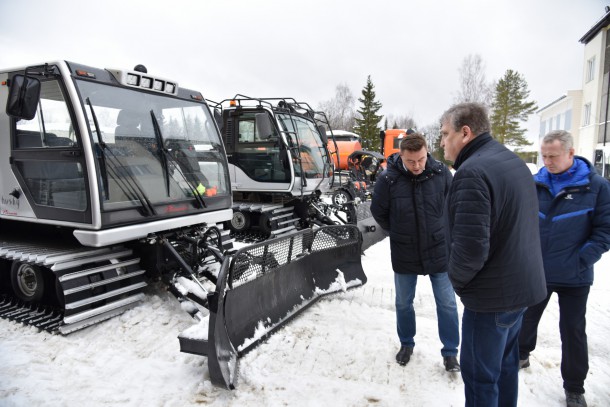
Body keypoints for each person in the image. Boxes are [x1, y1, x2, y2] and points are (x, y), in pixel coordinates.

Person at [439, 102, 547, 406]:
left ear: (465, 132)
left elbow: (471, 249)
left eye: (445, 134)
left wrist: (459, 283)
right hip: (519, 292)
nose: (442, 142)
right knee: (504, 369)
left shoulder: (472, 172)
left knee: (480, 379)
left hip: (491, 299)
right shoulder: (511, 161)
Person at [518, 130, 610, 407]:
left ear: (570, 153)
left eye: (553, 156)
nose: (547, 161)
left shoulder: (597, 187)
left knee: (573, 331)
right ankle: (520, 355)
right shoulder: (535, 183)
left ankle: (574, 387)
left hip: (575, 276)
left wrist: (580, 260)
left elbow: (604, 232)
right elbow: (522, 223)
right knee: (525, 320)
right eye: (544, 156)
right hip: (538, 271)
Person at [370, 132, 461, 372]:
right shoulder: (388, 180)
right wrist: (399, 231)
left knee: (447, 304)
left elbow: (453, 205)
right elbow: (379, 212)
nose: (417, 165)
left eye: (421, 159)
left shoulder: (441, 174)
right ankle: (406, 343)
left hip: (438, 249)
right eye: (411, 161)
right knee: (403, 303)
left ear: (426, 152)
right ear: (401, 156)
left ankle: (451, 352)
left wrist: (444, 230)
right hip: (404, 250)